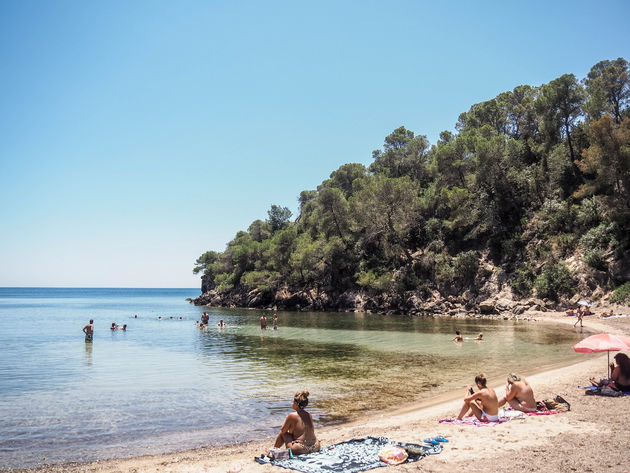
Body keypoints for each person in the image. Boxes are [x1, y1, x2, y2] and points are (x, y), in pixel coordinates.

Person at [273, 391, 320, 455]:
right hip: (315, 447)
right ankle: (274, 450)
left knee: (283, 433)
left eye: (292, 402)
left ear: (295, 403)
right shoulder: (309, 415)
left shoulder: (292, 415)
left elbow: (283, 430)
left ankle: (274, 450)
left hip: (300, 449)